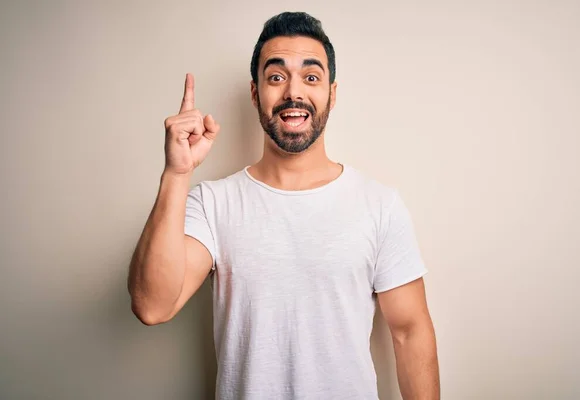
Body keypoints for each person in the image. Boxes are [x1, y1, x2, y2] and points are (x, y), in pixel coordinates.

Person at [128, 11, 440, 400]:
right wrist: (176, 175)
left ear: (333, 92)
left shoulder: (379, 205)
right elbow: (152, 306)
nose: (294, 93)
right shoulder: (213, 204)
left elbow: (410, 333)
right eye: (276, 77)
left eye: (311, 77)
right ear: (256, 93)